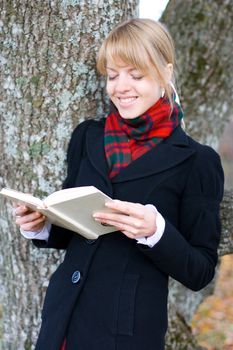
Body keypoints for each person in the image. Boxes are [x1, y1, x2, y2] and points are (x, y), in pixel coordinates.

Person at [14, 18, 224, 350]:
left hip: (126, 334)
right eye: (112, 75)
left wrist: (156, 231)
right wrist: (40, 226)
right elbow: (76, 230)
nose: (120, 87)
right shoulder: (88, 137)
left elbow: (199, 271)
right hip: (62, 322)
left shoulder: (197, 161)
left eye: (136, 75)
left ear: (166, 73)